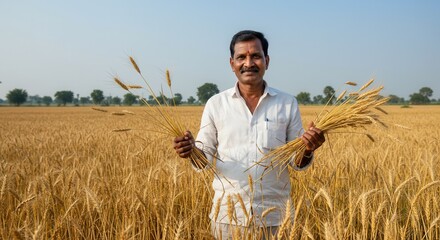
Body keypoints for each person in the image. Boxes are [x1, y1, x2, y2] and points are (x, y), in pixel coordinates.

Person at [173, 30, 325, 239]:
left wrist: (308, 148)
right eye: (241, 57)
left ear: (267, 60)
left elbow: (296, 162)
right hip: (227, 218)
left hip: (276, 219)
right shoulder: (216, 104)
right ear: (231, 63)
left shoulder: (287, 103)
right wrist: (191, 151)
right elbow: (204, 160)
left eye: (255, 56)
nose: (248, 63)